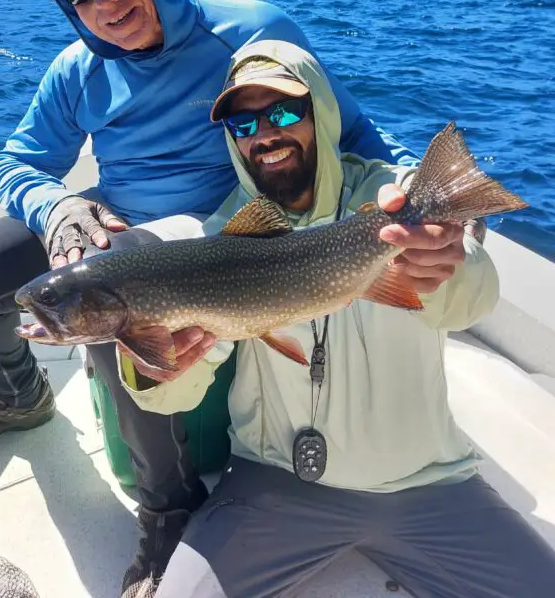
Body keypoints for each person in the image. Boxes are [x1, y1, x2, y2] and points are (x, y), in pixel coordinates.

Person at [0, 0, 462, 598]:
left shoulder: (252, 30)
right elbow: (17, 161)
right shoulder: (76, 70)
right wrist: (58, 208)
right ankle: (17, 396)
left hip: (221, 240)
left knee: (117, 319)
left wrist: (420, 194)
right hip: (107, 231)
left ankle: (168, 507)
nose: (103, 2)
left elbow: (351, 131)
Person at [117, 39, 555, 598]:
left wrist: (446, 264)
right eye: (244, 124)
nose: (265, 134)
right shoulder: (224, 238)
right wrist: (155, 370)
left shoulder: (391, 199)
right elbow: (178, 395)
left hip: (427, 484)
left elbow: (472, 302)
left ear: (320, 110)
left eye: (282, 112)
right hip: (273, 484)